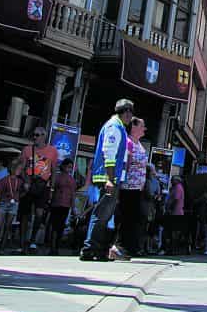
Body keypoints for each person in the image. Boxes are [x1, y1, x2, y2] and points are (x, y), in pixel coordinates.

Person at [80, 98, 133, 261]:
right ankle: (90, 249)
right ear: (125, 112)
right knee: (102, 214)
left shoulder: (118, 127)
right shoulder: (114, 127)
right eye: (130, 112)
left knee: (105, 214)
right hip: (107, 177)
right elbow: (108, 153)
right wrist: (110, 179)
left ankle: (99, 249)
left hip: (111, 177)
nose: (131, 116)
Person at [19, 125, 58, 253]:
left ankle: (33, 240)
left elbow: (53, 171)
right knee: (25, 213)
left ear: (44, 136)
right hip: (30, 182)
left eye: (37, 135)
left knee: (40, 213)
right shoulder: (27, 149)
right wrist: (25, 180)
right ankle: (22, 241)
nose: (34, 137)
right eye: (34, 135)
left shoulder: (52, 151)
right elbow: (22, 168)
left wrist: (51, 189)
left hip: (43, 185)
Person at [115, 116, 148, 260]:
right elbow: (125, 164)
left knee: (135, 218)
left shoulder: (139, 144)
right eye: (142, 126)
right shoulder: (128, 143)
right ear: (134, 127)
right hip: (128, 187)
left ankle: (128, 247)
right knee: (126, 217)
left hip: (137, 188)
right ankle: (118, 246)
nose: (144, 128)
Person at [47, 158, 78, 255]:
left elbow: (73, 194)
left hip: (65, 205)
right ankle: (52, 247)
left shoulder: (71, 180)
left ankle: (56, 247)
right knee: (54, 225)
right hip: (56, 203)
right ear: (63, 166)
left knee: (60, 226)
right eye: (68, 166)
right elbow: (52, 188)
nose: (69, 169)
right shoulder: (57, 177)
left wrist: (73, 208)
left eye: (70, 167)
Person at [0, 159, 24, 251]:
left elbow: (21, 192)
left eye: (21, 169)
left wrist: (18, 197)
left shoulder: (20, 182)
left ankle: (2, 246)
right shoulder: (4, 180)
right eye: (19, 169)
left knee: (8, 225)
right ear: (13, 169)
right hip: (4, 203)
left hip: (14, 204)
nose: (20, 171)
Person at [164, 175, 186, 254]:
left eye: (172, 180)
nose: (171, 181)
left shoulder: (178, 187)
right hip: (175, 212)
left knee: (174, 232)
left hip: (176, 213)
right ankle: (171, 249)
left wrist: (170, 208)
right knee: (173, 232)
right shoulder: (175, 188)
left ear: (177, 181)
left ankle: (173, 249)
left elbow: (175, 199)